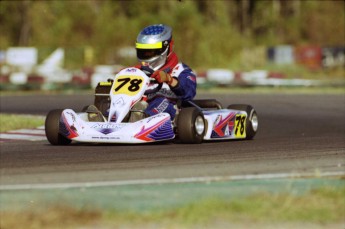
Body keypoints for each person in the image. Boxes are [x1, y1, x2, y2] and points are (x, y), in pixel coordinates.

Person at [134, 24, 197, 120]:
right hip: (138, 104)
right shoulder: (137, 71)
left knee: (161, 100)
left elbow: (188, 93)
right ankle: (107, 119)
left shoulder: (180, 70)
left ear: (167, 47)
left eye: (150, 51)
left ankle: (145, 118)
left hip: (171, 110)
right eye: (143, 51)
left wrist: (169, 79)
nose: (146, 54)